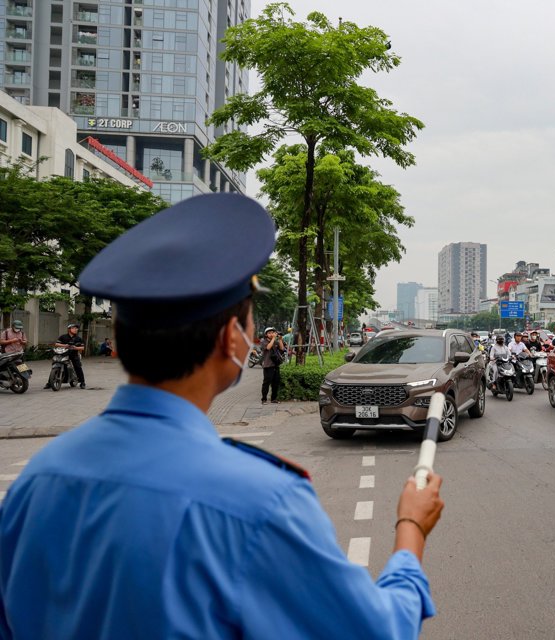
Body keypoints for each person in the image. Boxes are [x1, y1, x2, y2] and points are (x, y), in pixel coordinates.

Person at [0, 193, 443, 638]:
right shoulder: (258, 500)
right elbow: (376, 630)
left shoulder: (40, 478)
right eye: (251, 323)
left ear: (119, 332)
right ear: (233, 339)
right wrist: (411, 529)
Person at [53, 323, 86, 389]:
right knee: (55, 365)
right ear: (69, 329)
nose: (76, 329)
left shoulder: (78, 338)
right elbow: (56, 344)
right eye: (73, 328)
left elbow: (82, 348)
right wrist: (65, 345)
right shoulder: (63, 336)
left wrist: (75, 347)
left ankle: (82, 382)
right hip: (63, 354)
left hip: (73, 355)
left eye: (76, 328)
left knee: (78, 367)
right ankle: (50, 382)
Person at [260, 327, 286, 404]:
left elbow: (282, 348)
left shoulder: (275, 341)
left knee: (276, 383)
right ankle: (264, 399)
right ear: (266, 334)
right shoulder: (264, 341)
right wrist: (274, 339)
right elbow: (268, 347)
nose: (271, 334)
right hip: (268, 366)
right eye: (269, 333)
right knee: (266, 383)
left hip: (276, 365)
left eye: (273, 332)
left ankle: (274, 399)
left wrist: (280, 339)